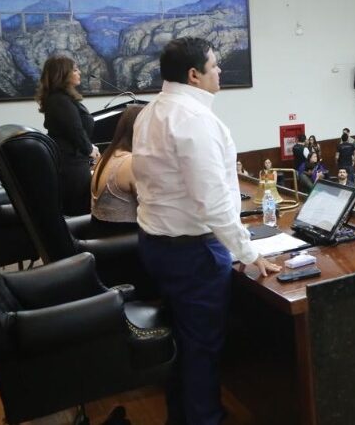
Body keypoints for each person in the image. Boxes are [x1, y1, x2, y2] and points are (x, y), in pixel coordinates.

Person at [132, 37, 280, 424]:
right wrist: (249, 254)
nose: (220, 72)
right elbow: (211, 201)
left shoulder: (149, 112)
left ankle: (181, 415)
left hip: (156, 243)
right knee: (202, 348)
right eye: (215, 66)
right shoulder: (193, 120)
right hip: (192, 251)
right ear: (194, 75)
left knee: (184, 343)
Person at [37, 56, 97, 216]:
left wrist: (90, 147)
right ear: (63, 74)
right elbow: (75, 130)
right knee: (79, 210)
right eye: (75, 69)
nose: (80, 73)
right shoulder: (59, 100)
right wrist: (89, 149)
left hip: (74, 161)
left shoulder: (63, 98)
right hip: (71, 166)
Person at [90, 105, 142, 225]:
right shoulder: (129, 163)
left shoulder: (108, 155)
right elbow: (150, 208)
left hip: (101, 231)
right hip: (122, 237)